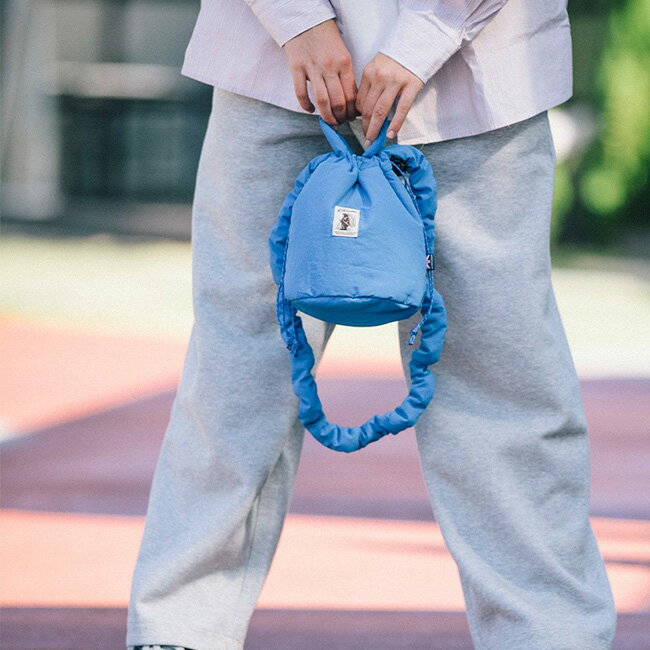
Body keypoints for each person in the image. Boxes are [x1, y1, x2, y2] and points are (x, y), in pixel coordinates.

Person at [126, 2, 618, 649]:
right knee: (236, 374)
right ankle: (178, 635)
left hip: (470, 73)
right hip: (276, 67)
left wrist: (423, 37)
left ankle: (549, 637)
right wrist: (298, 21)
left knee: (502, 379)